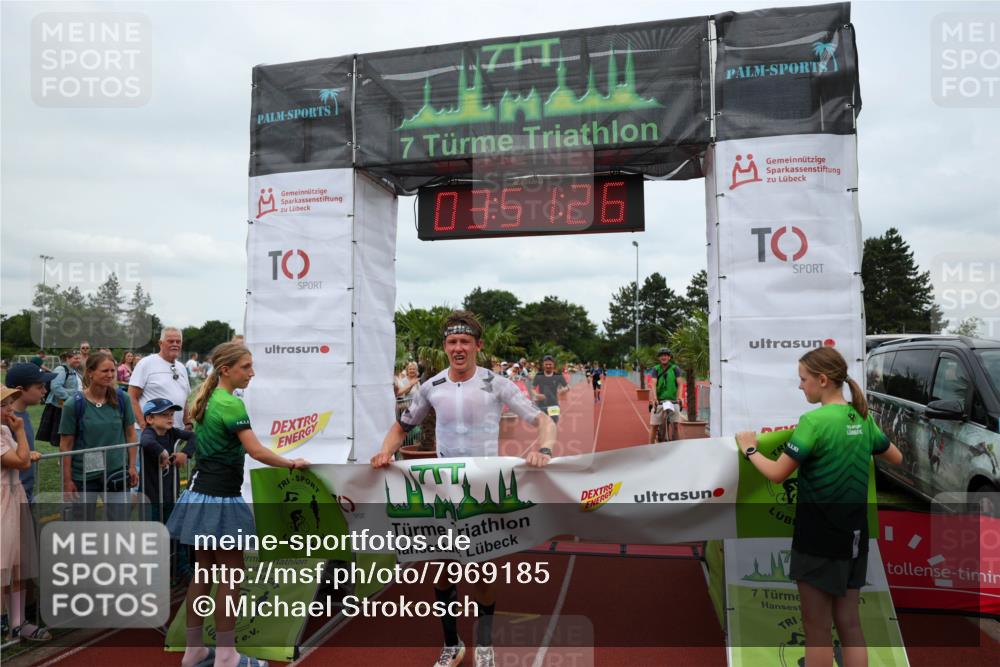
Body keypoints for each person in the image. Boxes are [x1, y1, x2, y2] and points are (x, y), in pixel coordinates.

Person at [371, 310, 556, 667]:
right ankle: (452, 644)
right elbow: (401, 427)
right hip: (442, 492)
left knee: (482, 572)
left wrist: (544, 448)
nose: (458, 348)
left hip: (483, 491)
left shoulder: (496, 383)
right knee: (441, 570)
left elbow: (543, 420)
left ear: (477, 346)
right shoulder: (432, 386)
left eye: (465, 342)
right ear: (446, 346)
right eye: (452, 342)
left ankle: (484, 645)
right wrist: (385, 451)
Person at [736, 346, 903, 667]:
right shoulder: (860, 417)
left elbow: (777, 473)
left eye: (803, 379)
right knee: (850, 623)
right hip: (855, 538)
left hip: (818, 539)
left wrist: (750, 449)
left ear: (822, 380)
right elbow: (895, 457)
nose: (800, 386)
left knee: (817, 630)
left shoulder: (813, 422)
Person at [167, 342, 306, 667]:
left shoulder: (208, 398)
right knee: (231, 574)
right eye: (246, 367)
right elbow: (256, 452)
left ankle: (194, 650)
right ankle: (226, 655)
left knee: (204, 571)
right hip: (220, 499)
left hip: (200, 494)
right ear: (226, 369)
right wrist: (292, 464)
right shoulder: (231, 405)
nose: (252, 372)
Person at [59, 352, 139, 521]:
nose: (110, 375)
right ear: (90, 372)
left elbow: (131, 434)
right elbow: (66, 445)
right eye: (104, 371)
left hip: (116, 474)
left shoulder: (122, 399)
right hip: (84, 477)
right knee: (83, 527)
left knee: (119, 525)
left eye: (112, 370)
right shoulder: (74, 404)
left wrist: (132, 466)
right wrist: (67, 480)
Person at [1, 386, 49, 642]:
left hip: (13, 496)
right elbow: (20, 462)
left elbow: (21, 456)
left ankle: (17, 623)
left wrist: (24, 450)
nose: (9, 409)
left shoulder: (4, 430)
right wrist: (21, 433)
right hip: (2, 501)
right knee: (4, 563)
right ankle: (4, 620)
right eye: (3, 405)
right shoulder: (8, 431)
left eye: (9, 403)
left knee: (18, 563)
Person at [4, 364, 55, 501]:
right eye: (39, 387)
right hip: (11, 495)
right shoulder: (6, 420)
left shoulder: (22, 414)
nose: (44, 391)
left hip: (25, 490)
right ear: (20, 390)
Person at [140, 398, 196, 522]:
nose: (170, 418)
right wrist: (163, 453)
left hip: (171, 493)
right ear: (150, 419)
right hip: (152, 497)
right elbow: (146, 441)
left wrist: (185, 453)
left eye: (171, 414)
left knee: (171, 527)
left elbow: (193, 436)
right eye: (164, 415)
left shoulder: (171, 432)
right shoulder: (149, 432)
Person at [129, 327, 193, 431]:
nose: (175, 344)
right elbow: (132, 397)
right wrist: (143, 425)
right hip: (152, 433)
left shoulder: (182, 368)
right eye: (171, 341)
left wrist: (187, 422)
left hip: (176, 433)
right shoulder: (146, 363)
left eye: (178, 341)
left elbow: (184, 399)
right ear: (160, 343)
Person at [38, 351, 82, 444]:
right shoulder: (61, 369)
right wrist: (69, 400)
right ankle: (62, 458)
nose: (78, 360)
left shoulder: (74, 370)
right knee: (63, 436)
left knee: (70, 435)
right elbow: (56, 387)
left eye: (79, 358)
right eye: (76, 358)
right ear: (67, 359)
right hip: (61, 406)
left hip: (69, 405)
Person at [649, 348, 682, 443]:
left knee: (676, 425)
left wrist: (680, 397)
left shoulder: (675, 368)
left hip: (673, 401)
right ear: (659, 358)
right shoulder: (656, 369)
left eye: (666, 355)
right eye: (662, 355)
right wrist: (654, 399)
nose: (664, 357)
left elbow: (680, 384)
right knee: (654, 425)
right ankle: (650, 447)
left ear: (670, 357)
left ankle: (677, 447)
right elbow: (653, 384)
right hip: (659, 401)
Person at [531, 355, 569, 425]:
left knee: (553, 424)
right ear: (543, 365)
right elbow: (532, 388)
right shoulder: (539, 375)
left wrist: (562, 390)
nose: (548, 366)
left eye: (550, 364)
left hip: (554, 404)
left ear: (553, 364)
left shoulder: (558, 375)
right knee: (542, 425)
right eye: (546, 364)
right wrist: (536, 395)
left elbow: (567, 387)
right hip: (541, 405)